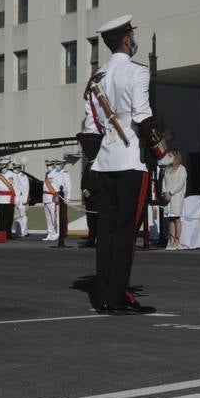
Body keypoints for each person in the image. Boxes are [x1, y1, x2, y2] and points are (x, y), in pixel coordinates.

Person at [79, 15, 168, 314]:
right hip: (131, 161)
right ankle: (118, 297)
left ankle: (104, 295)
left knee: (106, 233)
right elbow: (142, 117)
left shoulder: (96, 78)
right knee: (125, 232)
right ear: (127, 39)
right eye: (132, 35)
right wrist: (162, 152)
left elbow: (89, 128)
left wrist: (95, 160)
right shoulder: (137, 72)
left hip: (103, 163)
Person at [161, 151, 187, 250]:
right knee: (170, 219)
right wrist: (164, 192)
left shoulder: (182, 169)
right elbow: (164, 181)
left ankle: (177, 240)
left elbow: (180, 183)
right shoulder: (167, 169)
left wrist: (171, 192)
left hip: (176, 197)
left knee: (176, 218)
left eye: (170, 156)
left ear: (176, 157)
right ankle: (171, 240)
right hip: (167, 198)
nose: (169, 157)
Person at [43, 159, 65, 242]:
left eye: (49, 165)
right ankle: (50, 233)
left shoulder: (57, 174)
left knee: (54, 217)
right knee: (48, 217)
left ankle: (56, 233)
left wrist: (57, 197)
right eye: (47, 166)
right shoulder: (46, 174)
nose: (48, 167)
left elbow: (60, 186)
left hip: (53, 198)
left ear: (53, 165)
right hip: (45, 197)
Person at [0, 158, 17, 236]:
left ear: (6, 166)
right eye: (0, 166)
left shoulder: (13, 175)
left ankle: (8, 233)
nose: (2, 168)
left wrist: (17, 199)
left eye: (3, 166)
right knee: (0, 218)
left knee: (9, 217)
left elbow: (16, 188)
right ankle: (1, 233)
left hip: (9, 199)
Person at [13, 160, 30, 237]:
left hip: (21, 197)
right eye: (14, 168)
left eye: (16, 168)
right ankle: (18, 231)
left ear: (19, 168)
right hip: (15, 198)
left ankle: (23, 231)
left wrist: (25, 199)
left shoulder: (23, 176)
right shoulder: (13, 175)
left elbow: (26, 188)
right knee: (16, 216)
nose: (15, 169)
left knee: (22, 215)